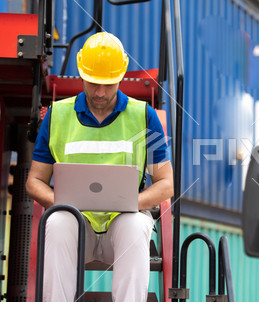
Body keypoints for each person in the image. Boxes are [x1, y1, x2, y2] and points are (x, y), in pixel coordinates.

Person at [26, 32, 174, 302]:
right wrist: (61, 203)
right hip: (76, 228)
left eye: (109, 84)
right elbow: (34, 180)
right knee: (58, 220)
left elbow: (166, 184)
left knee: (136, 222)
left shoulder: (144, 117)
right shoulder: (57, 116)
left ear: (121, 77)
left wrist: (132, 202)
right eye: (93, 83)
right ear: (82, 76)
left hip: (119, 228)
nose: (101, 92)